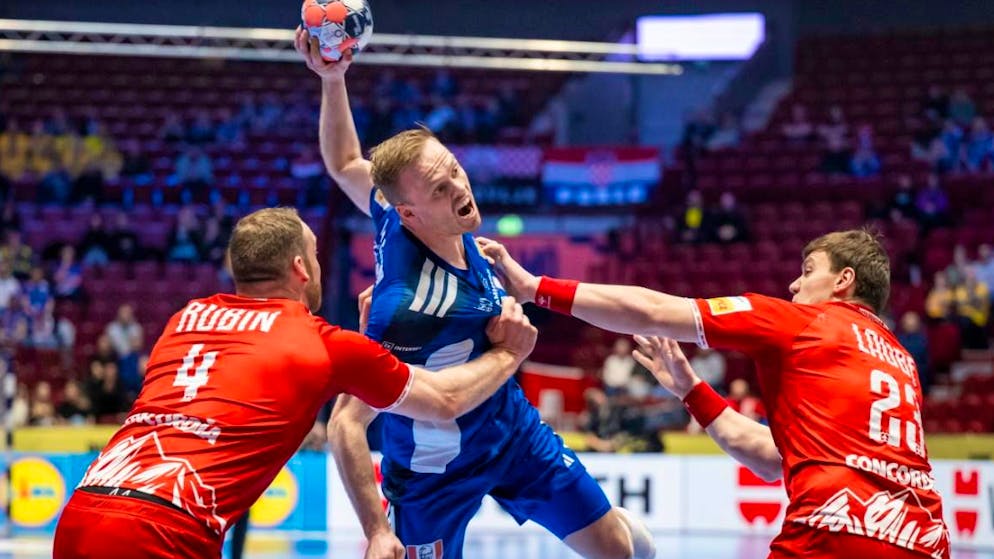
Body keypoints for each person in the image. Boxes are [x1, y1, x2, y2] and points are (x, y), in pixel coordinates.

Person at [296, 28, 654, 559]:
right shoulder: (405, 310)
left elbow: (346, 162)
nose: (460, 189)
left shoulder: (401, 215)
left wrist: (333, 78)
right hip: (431, 474)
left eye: (455, 172)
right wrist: (376, 530)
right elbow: (347, 422)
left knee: (620, 550)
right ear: (410, 212)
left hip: (512, 434)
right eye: (440, 190)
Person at [52, 207, 539, 559]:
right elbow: (445, 400)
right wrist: (509, 353)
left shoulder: (185, 319)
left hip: (82, 511)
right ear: (301, 268)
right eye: (316, 255)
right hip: (164, 528)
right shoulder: (321, 343)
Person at [479, 229, 950, 559]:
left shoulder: (803, 321)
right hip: (925, 539)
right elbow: (773, 458)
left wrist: (536, 288)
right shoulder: (900, 360)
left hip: (834, 530)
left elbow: (653, 310)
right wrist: (691, 391)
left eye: (808, 271)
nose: (794, 284)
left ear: (843, 280)